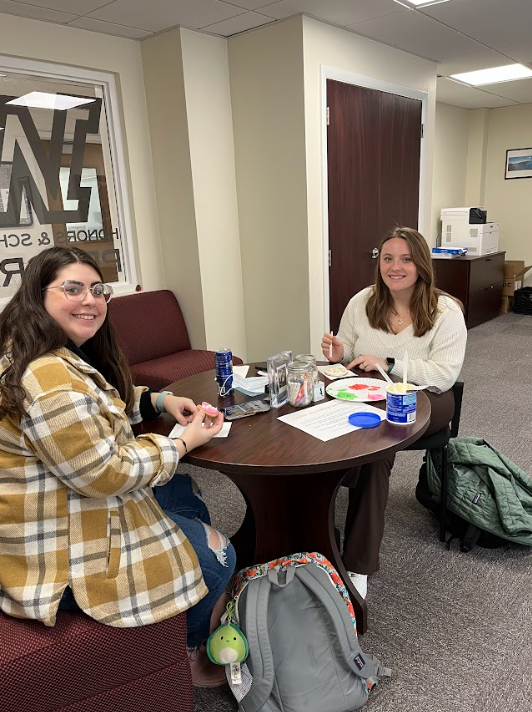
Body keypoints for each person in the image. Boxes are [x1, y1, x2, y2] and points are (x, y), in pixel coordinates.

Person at [0, 246, 236, 688]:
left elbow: (101, 398)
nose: (90, 300)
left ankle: (182, 556)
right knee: (220, 557)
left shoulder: (45, 349)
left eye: (97, 290)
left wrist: (159, 399)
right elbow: (104, 474)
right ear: (38, 295)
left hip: (60, 500)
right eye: (72, 288)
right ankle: (186, 655)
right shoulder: (46, 378)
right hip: (58, 551)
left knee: (184, 493)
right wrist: (181, 441)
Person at [321, 227, 467, 599]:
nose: (395, 267)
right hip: (370, 392)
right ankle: (313, 527)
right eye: (388, 258)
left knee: (375, 450)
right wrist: (338, 354)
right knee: (320, 424)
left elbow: (444, 374)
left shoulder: (445, 311)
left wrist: (389, 362)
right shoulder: (362, 301)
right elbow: (348, 354)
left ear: (421, 264)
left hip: (427, 397)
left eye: (405, 259)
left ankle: (357, 564)